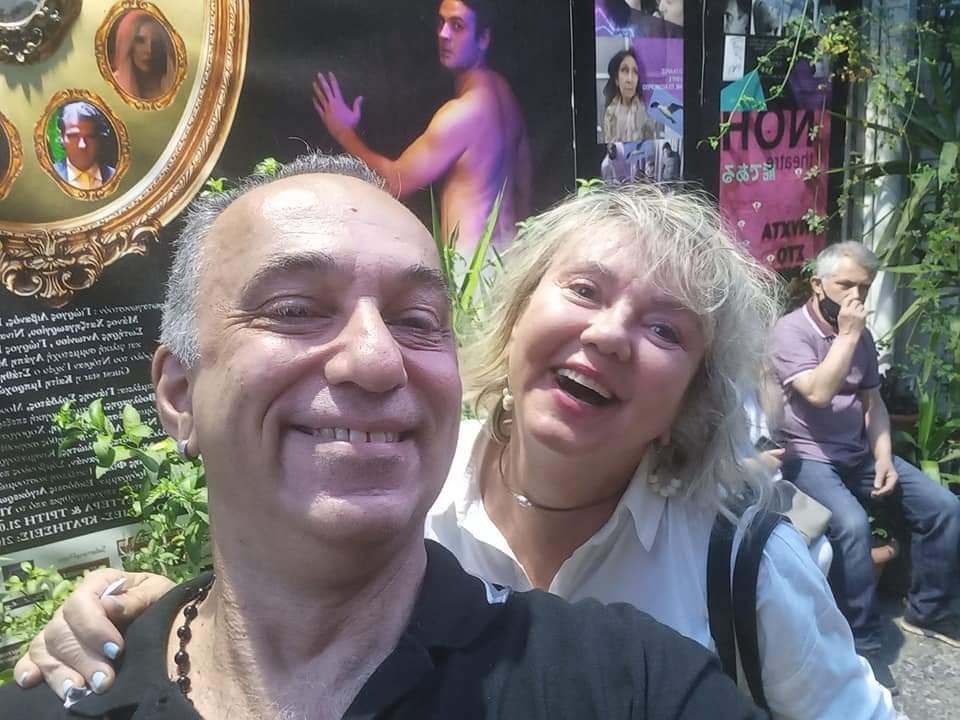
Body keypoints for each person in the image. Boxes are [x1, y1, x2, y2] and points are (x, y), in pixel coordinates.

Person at [16, 182, 895, 720]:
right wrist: (144, 619)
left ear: (689, 401)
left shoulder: (740, 569)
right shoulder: (398, 477)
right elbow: (268, 600)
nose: (610, 335)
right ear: (511, 324)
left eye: (666, 329)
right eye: (584, 290)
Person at [772, 241, 960, 694]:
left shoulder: (862, 336)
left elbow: (872, 401)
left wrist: (884, 456)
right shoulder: (790, 333)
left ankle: (929, 610)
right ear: (817, 285)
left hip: (857, 452)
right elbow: (818, 392)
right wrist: (848, 336)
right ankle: (863, 644)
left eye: (864, 286)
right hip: (806, 455)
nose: (856, 296)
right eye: (846, 285)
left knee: (943, 507)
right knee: (851, 526)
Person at [312, 0, 530, 255]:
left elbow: (394, 183)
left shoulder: (464, 112)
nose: (443, 34)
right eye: (441, 22)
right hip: (510, 260)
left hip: (471, 268)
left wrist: (343, 131)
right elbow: (523, 183)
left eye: (457, 26)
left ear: (483, 38)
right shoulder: (504, 95)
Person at [111, 10, 176, 101]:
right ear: (129, 45)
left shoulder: (169, 84)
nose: (149, 50)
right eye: (140, 41)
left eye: (156, 42)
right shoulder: (113, 84)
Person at [602, 49, 662, 143]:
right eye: (625, 70)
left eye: (635, 72)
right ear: (616, 79)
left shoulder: (647, 113)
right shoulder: (609, 113)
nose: (630, 79)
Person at [53, 103, 116, 191]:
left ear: (99, 139)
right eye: (73, 136)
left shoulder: (116, 177)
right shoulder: (49, 179)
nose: (82, 145)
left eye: (90, 137)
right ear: (62, 138)